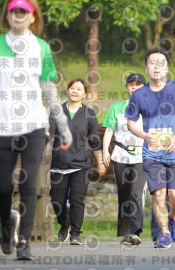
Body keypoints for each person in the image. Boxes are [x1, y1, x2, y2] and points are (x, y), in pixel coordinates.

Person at [0, 0, 72, 261]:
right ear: (7, 15)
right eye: (14, 11)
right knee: (2, 187)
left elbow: (49, 90)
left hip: (34, 126)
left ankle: (23, 242)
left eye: (24, 12)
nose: (18, 16)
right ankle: (7, 223)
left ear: (33, 16)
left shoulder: (42, 48)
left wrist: (63, 125)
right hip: (1, 127)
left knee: (28, 184)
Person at [126, 46, 175, 249]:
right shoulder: (139, 95)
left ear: (167, 67)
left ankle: (174, 217)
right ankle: (165, 235)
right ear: (146, 67)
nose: (156, 67)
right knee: (159, 195)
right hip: (152, 154)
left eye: (161, 63)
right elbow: (130, 122)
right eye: (152, 63)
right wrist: (144, 135)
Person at [49, 78, 104, 246]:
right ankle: (64, 223)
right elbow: (48, 133)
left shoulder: (89, 114)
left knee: (77, 200)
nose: (75, 91)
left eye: (79, 89)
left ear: (84, 94)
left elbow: (94, 141)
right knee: (56, 200)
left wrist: (100, 162)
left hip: (81, 164)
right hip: (59, 164)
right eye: (72, 88)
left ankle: (75, 233)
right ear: (68, 90)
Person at [101, 73, 147, 245]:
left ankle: (136, 231)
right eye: (131, 84)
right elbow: (109, 131)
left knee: (136, 191)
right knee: (124, 193)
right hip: (120, 155)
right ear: (127, 87)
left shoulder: (150, 108)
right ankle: (126, 234)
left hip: (142, 156)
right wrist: (105, 150)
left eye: (138, 84)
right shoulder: (116, 108)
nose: (134, 87)